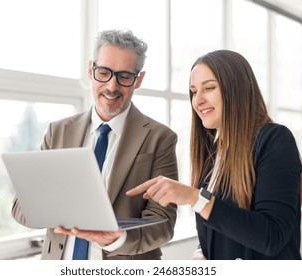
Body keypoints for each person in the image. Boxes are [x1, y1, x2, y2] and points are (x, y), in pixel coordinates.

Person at [11, 29, 178, 260]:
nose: (112, 86)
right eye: (104, 72)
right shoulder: (58, 132)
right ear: (91, 70)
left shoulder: (160, 138)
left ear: (138, 80)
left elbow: (163, 222)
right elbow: (21, 208)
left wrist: (117, 239)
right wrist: (58, 206)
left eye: (124, 76)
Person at [127, 49, 302, 260]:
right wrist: (203, 252)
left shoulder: (275, 140)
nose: (198, 100)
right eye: (193, 91)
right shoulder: (215, 154)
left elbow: (271, 237)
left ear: (236, 90)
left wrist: (195, 197)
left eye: (209, 88)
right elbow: (225, 222)